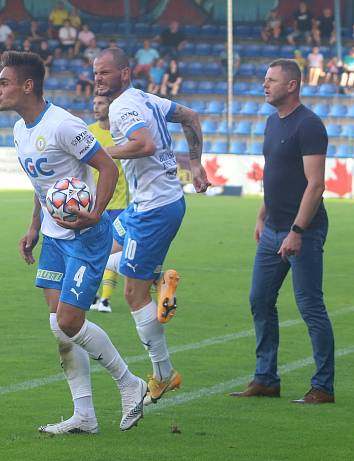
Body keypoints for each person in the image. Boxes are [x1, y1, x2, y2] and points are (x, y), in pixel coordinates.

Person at [0, 50, 149, 435]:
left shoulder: (64, 125)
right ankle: (85, 415)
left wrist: (96, 213)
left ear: (27, 86)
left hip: (85, 236)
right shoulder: (19, 130)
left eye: (3, 82)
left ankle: (130, 383)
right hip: (53, 236)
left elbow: (107, 167)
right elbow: (42, 185)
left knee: (69, 320)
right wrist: (34, 226)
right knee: (58, 325)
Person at [93, 48, 210, 405]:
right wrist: (197, 164)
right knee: (100, 253)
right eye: (96, 72)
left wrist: (99, 154)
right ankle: (158, 277)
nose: (98, 78)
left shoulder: (122, 107)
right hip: (149, 206)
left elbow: (144, 144)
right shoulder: (144, 98)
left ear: (125, 74)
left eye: (106, 72)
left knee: (132, 293)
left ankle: (163, 374)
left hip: (153, 211)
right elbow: (190, 116)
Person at [229, 59, 334, 405]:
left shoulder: (309, 125)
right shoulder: (272, 123)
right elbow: (274, 175)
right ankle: (266, 378)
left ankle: (322, 387)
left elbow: (315, 185)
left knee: (310, 306)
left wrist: (297, 230)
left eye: (271, 80)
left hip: (302, 232)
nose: (264, 84)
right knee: (259, 300)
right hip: (273, 228)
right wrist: (262, 215)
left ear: (292, 86)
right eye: (265, 78)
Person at [88, 94, 129, 313]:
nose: (96, 107)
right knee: (93, 250)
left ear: (111, 107)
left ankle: (104, 299)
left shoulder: (121, 134)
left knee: (112, 253)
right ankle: (93, 295)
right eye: (94, 103)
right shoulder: (88, 132)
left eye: (101, 103)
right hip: (94, 204)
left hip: (119, 203)